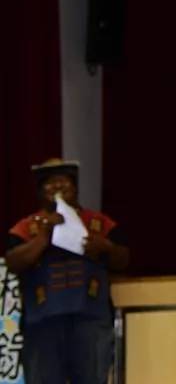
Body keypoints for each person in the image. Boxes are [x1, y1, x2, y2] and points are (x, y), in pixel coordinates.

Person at [5, 158, 129, 384]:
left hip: (90, 321)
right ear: (40, 191)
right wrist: (43, 237)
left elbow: (124, 260)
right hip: (42, 325)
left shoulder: (99, 222)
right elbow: (13, 263)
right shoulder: (25, 227)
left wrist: (105, 247)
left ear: (75, 186)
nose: (57, 186)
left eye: (63, 181)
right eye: (49, 182)